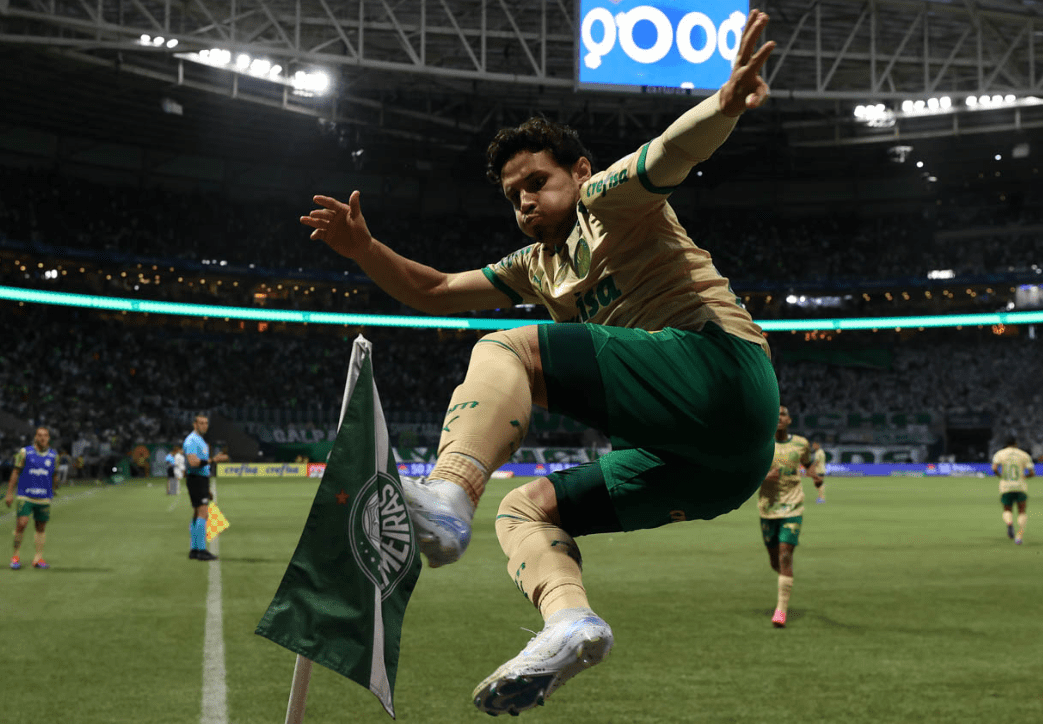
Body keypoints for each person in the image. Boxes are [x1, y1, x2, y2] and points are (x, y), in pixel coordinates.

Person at [301, 9, 778, 716]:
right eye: (513, 194)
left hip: (722, 373)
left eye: (537, 180)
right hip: (711, 466)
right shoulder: (533, 265)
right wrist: (365, 249)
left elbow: (674, 150)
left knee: (505, 346)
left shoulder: (610, 199)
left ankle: (448, 495)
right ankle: (570, 624)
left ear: (579, 171)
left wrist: (724, 103)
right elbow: (432, 290)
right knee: (524, 509)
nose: (525, 199)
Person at [757, 406, 818, 628]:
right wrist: (764, 477)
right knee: (775, 560)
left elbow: (808, 465)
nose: (779, 418)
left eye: (782, 414)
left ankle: (780, 611)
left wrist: (815, 476)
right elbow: (747, 475)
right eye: (775, 415)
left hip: (793, 506)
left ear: (789, 420)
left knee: (784, 555)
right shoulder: (761, 444)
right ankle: (786, 577)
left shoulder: (801, 444)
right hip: (768, 509)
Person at [3, 426, 58, 569]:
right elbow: (15, 472)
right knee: (22, 523)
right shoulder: (25, 452)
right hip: (25, 495)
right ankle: (15, 556)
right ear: (35, 437)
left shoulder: (53, 455)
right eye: (40, 435)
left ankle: (38, 558)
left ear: (48, 438)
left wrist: (54, 487)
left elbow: (54, 474)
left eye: (45, 435)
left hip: (44, 497)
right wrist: (9, 493)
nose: (42, 438)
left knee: (41, 527)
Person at [184, 415, 228, 561]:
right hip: (196, 479)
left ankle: (194, 549)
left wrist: (207, 486)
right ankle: (201, 550)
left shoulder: (200, 440)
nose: (204, 425)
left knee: (198, 513)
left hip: (200, 480)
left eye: (206, 423)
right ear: (194, 424)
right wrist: (214, 459)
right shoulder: (191, 440)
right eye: (201, 423)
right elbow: (193, 462)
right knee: (203, 513)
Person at [991, 436, 1035, 545]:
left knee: (1007, 509)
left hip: (1006, 486)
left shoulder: (1000, 454)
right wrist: (1024, 477)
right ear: (1016, 444)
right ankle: (1019, 536)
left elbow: (995, 468)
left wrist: (999, 475)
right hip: (1020, 486)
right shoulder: (1024, 454)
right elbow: (1031, 473)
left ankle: (1009, 523)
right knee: (1022, 511)